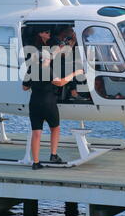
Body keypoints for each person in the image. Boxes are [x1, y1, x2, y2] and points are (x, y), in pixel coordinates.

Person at [23, 26, 84, 170]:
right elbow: (60, 82)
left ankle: (36, 162)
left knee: (36, 133)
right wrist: (75, 73)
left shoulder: (31, 69)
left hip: (34, 103)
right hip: (49, 103)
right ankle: (53, 154)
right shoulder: (47, 70)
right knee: (55, 128)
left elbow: (25, 87)